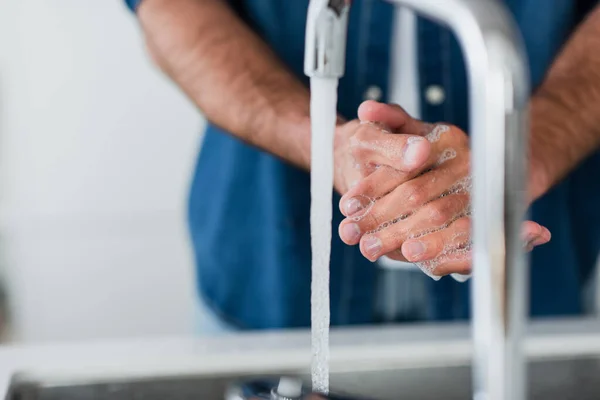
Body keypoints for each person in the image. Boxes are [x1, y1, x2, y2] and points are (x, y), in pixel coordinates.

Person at [124, 0, 600, 331]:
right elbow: (170, 10)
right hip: (269, 265)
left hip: (534, 279)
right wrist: (321, 142)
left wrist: (520, 155)